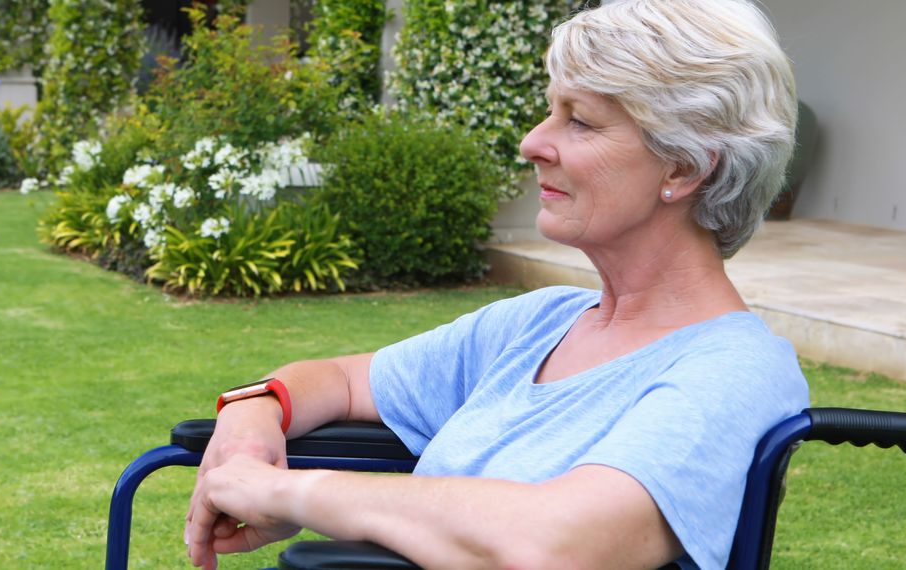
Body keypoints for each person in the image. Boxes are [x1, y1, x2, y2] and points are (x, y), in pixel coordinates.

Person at [184, 0, 809, 568]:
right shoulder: (541, 323)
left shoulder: (735, 372)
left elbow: (559, 543)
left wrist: (290, 493)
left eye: (581, 122)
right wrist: (254, 411)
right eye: (550, 111)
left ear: (685, 166)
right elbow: (344, 381)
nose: (533, 142)